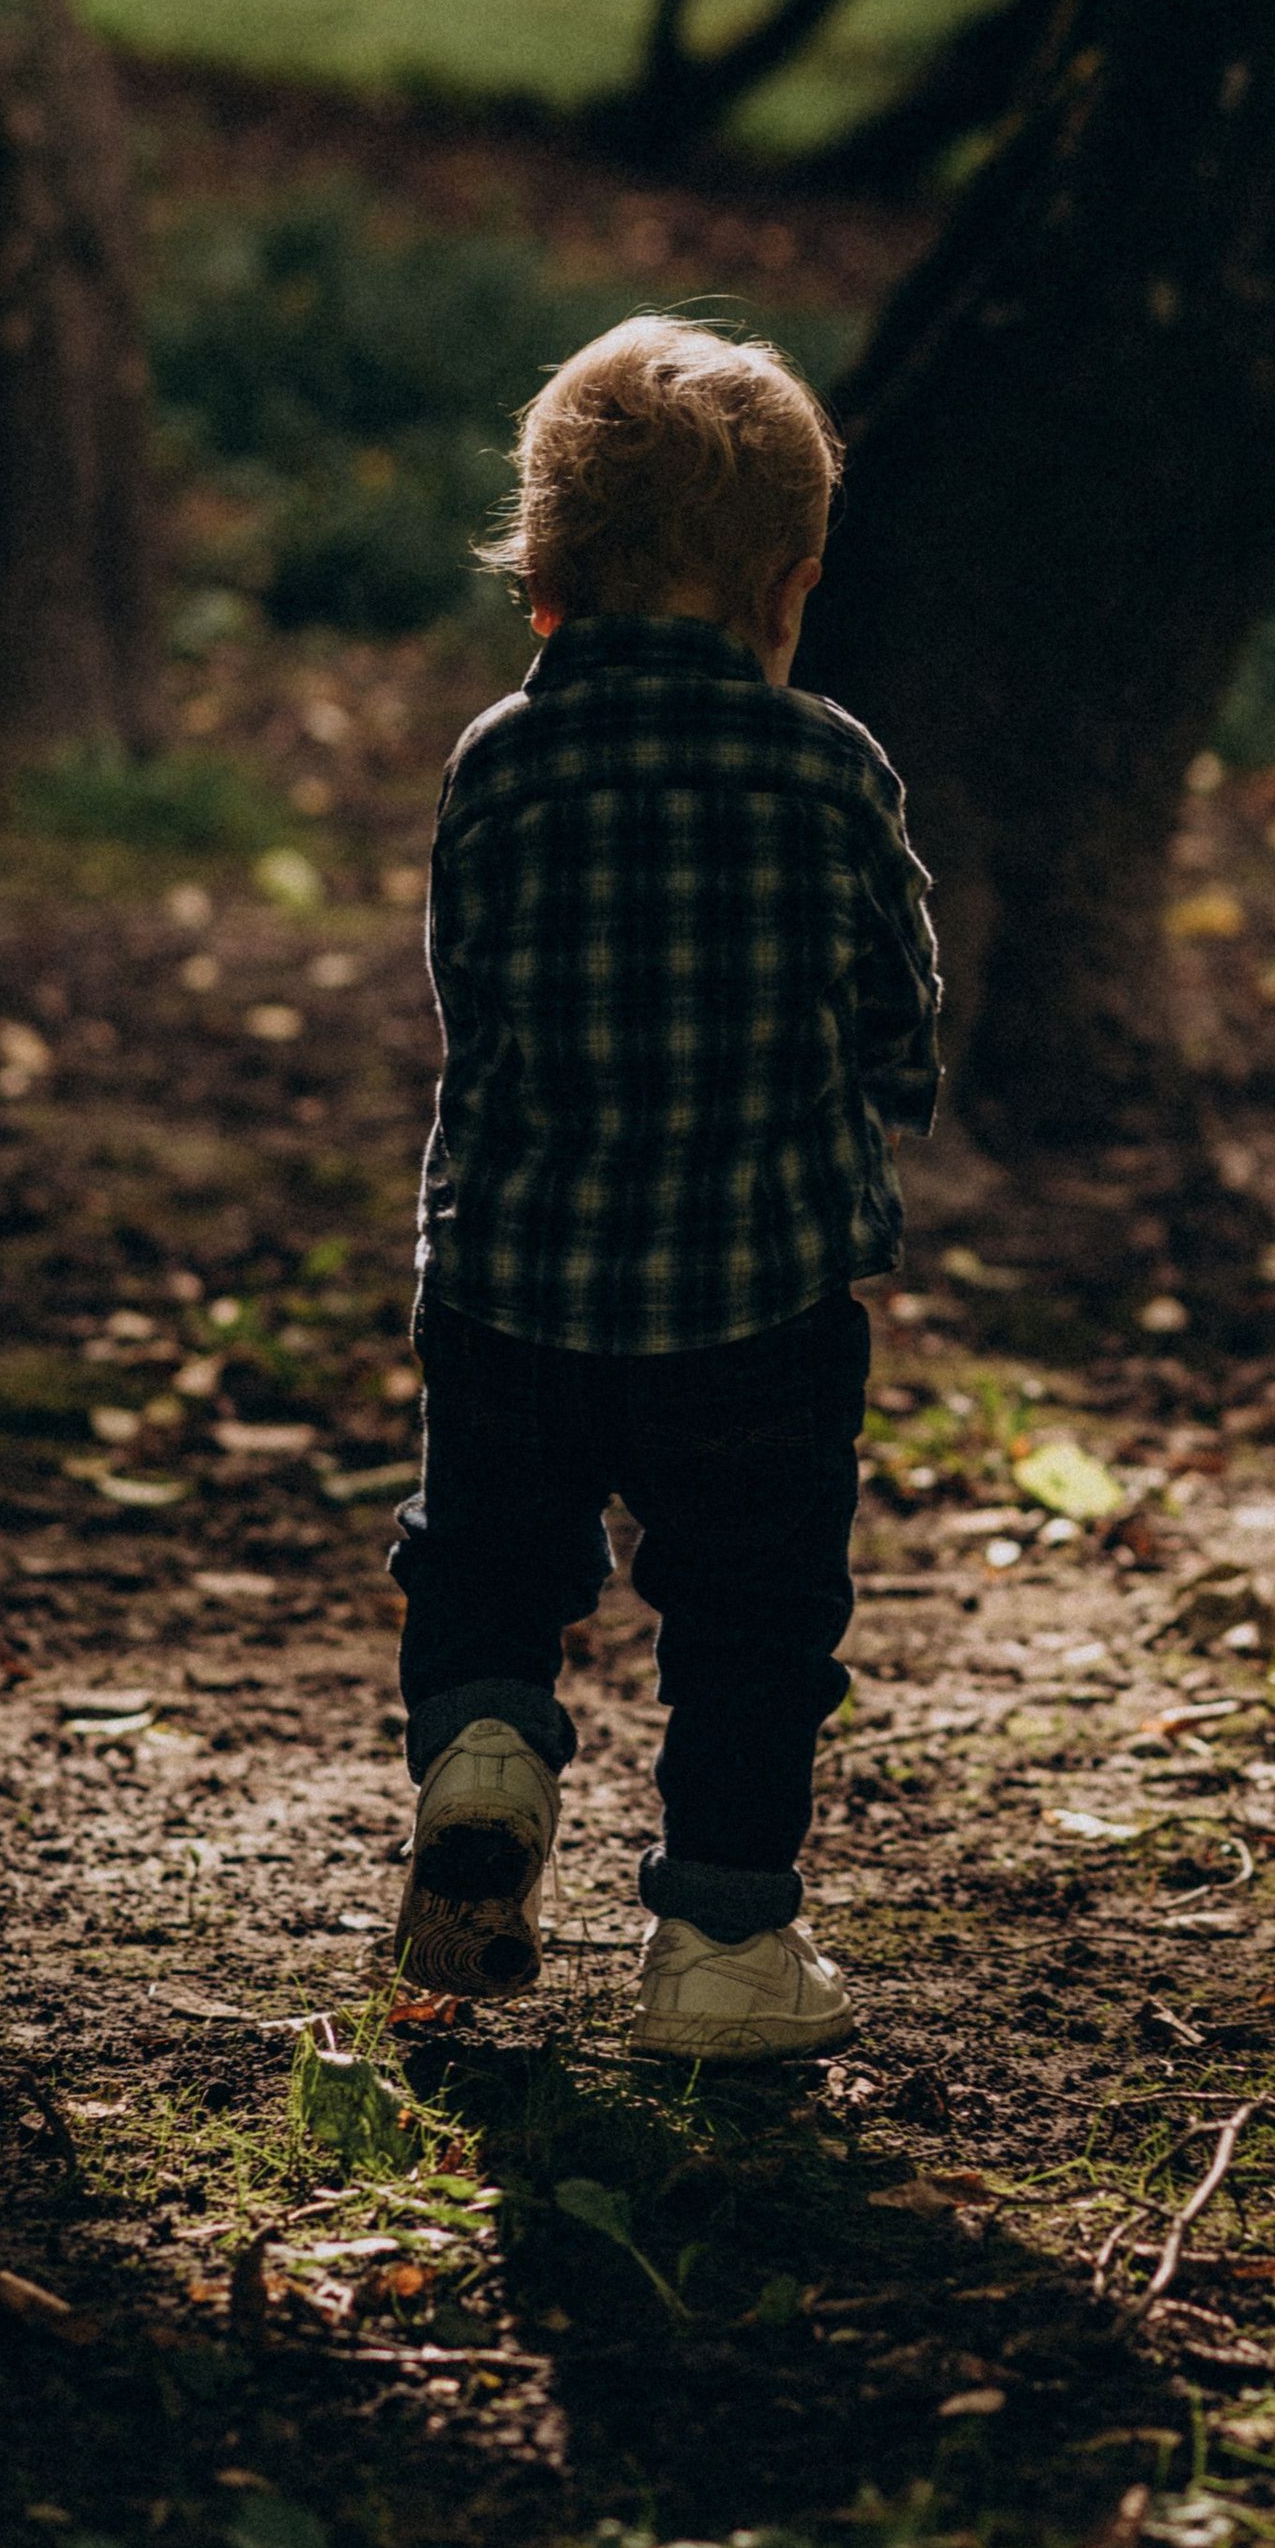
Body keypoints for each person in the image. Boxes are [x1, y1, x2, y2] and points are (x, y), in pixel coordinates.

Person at [387, 316, 939, 2060]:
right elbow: (897, 1003)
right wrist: (874, 1099)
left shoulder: (498, 760)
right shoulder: (831, 768)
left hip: (512, 1286)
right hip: (760, 1307)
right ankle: (721, 1949)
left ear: (543, 583)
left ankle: (487, 1748)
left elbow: (470, 990)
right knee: (755, 1621)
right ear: (790, 587)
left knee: (485, 1558)